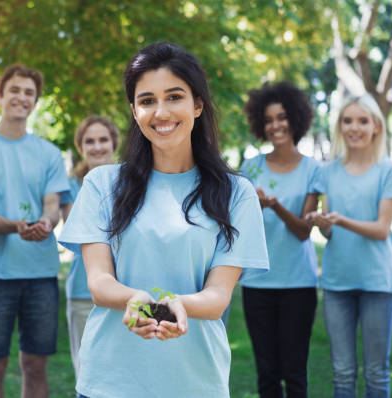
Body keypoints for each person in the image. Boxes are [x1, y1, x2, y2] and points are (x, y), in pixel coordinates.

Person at [59, 42, 269, 397]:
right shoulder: (101, 184)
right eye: (147, 101)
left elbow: (218, 296)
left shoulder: (237, 193)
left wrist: (178, 306)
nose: (161, 112)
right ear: (134, 110)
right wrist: (136, 299)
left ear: (197, 104)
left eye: (174, 97)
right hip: (110, 383)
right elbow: (99, 283)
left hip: (195, 383)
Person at [0, 64, 70, 398]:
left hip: (40, 274)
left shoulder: (49, 153)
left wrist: (47, 222)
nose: (21, 98)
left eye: (29, 93)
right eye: (14, 90)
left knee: (35, 364)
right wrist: (17, 226)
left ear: (35, 101)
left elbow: (52, 204)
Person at [306, 94, 392, 398]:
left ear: (376, 127)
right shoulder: (327, 172)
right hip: (337, 283)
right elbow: (331, 232)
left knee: (376, 373)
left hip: (377, 284)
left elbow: (382, 230)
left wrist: (341, 221)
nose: (353, 127)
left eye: (362, 120)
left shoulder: (388, 171)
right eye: (347, 121)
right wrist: (324, 224)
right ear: (339, 127)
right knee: (342, 374)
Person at [240, 81, 319, 398]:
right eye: (269, 119)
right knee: (267, 374)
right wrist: (253, 209)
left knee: (295, 372)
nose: (276, 125)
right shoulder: (250, 168)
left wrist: (275, 205)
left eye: (282, 117)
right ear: (261, 123)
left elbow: (303, 230)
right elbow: (237, 227)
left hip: (298, 284)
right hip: (257, 284)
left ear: (296, 119)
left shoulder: (313, 169)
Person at [60, 115, 119, 377]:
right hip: (84, 291)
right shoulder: (71, 185)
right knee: (88, 374)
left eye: (103, 140)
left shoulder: (132, 181)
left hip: (127, 289)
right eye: (89, 141)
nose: (97, 147)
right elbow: (82, 229)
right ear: (80, 147)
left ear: (113, 143)